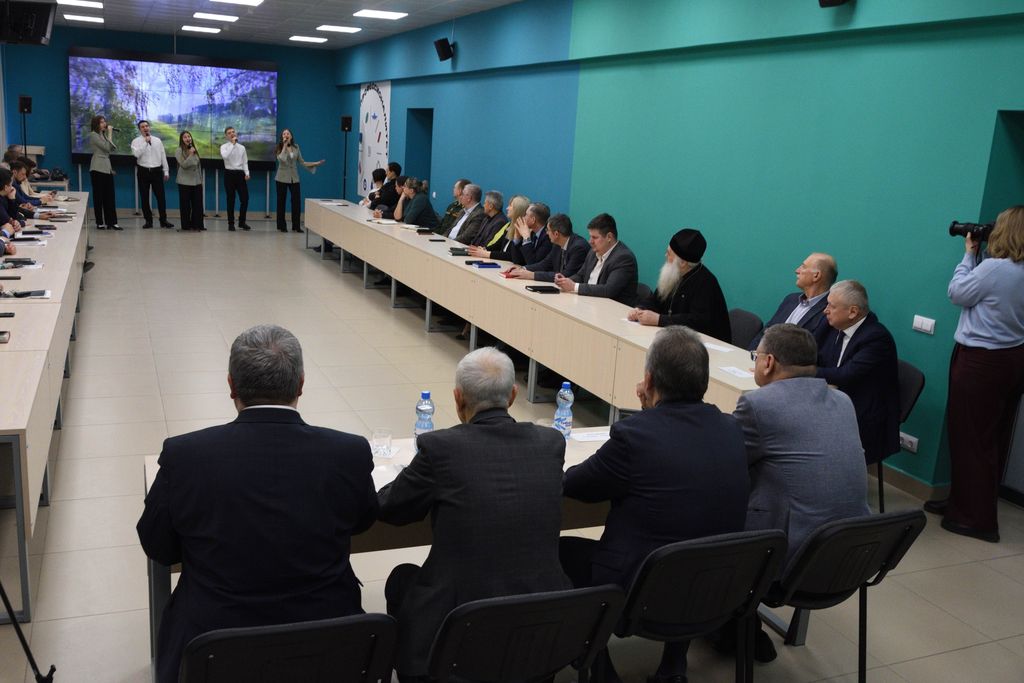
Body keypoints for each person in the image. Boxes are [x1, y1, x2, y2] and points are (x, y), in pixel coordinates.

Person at [137, 324, 378, 683]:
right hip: (327, 644)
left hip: (216, 647)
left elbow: (158, 545)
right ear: (300, 385)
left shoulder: (185, 456)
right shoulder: (349, 452)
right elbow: (363, 520)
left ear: (231, 385)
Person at [562, 325, 748, 683]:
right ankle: (673, 667)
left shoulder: (635, 435)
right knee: (690, 543)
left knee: (557, 553)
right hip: (714, 588)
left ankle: (601, 669)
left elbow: (576, 485)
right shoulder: (730, 429)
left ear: (648, 380)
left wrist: (648, 414)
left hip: (641, 593)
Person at [378, 347, 570, 681]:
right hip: (540, 618)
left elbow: (392, 508)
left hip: (462, 622)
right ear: (513, 396)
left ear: (457, 398)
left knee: (401, 579)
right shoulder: (550, 443)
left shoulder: (440, 448)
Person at [926, 207, 1024, 543]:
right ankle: (966, 502)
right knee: (991, 436)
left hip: (981, 362)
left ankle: (974, 519)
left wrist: (969, 255)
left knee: (970, 438)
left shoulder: (996, 269)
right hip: (1012, 359)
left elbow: (957, 292)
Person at [740, 324, 870, 559]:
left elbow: (729, 462)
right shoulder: (843, 400)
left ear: (768, 362)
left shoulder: (758, 404)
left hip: (794, 551)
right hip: (854, 550)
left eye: (755, 356)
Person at [816, 279, 900, 466]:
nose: (825, 310)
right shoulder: (833, 325)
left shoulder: (876, 338)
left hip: (863, 415)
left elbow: (845, 375)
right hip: (834, 399)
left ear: (853, 312)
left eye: (831, 306)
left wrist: (802, 371)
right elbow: (813, 354)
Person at [629, 228, 731, 341]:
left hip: (702, 345)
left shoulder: (706, 283)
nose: (665, 255)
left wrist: (659, 320)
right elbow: (655, 300)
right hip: (674, 338)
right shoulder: (674, 273)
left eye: (669, 254)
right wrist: (639, 309)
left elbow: (697, 322)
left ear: (682, 262)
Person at [748, 252, 837, 350]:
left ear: (816, 275)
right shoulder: (790, 299)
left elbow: (813, 352)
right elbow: (765, 332)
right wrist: (751, 354)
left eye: (803, 267)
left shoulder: (830, 312)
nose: (797, 270)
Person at [555, 213, 639, 306]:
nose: (590, 241)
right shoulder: (593, 252)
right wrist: (565, 281)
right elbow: (581, 276)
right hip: (588, 304)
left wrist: (574, 286)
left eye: (594, 237)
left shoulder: (623, 258)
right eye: (590, 236)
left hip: (611, 309)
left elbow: (608, 290)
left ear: (609, 237)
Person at [505, 212, 588, 281]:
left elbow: (565, 275)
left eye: (548, 230)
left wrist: (532, 275)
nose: (546, 233)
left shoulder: (578, 248)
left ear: (556, 234)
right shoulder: (557, 244)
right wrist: (523, 268)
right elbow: (544, 264)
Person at [275, 128, 325, 233]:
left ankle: (296, 226)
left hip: (294, 178)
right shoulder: (279, 147)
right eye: (284, 134)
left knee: (296, 201)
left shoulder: (296, 147)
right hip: (281, 178)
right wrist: (284, 146)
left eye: (288, 133)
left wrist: (315, 164)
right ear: (282, 137)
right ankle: (281, 225)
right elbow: (282, 159)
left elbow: (302, 162)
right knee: (281, 202)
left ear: (291, 136)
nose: (286, 135)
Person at [131, 120, 173, 229]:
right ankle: (148, 221)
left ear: (149, 127)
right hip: (143, 171)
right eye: (142, 127)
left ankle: (163, 220)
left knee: (161, 197)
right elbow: (136, 154)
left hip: (156, 171)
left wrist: (166, 170)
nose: (145, 128)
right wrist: (145, 142)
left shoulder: (157, 140)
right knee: (144, 197)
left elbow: (163, 155)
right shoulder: (136, 141)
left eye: (147, 126)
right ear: (139, 129)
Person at [468, 194, 529, 259]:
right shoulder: (509, 225)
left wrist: (488, 254)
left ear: (517, 210)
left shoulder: (523, 230)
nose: (507, 208)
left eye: (510, 206)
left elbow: (511, 255)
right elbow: (498, 244)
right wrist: (485, 249)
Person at [220, 126, 251, 231]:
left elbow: (245, 162)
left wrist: (247, 173)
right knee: (231, 199)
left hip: (240, 174)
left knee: (245, 199)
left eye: (233, 132)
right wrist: (232, 144)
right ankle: (231, 223)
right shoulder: (224, 147)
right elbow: (225, 156)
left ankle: (242, 222)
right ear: (226, 136)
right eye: (229, 133)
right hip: (229, 174)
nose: (232, 134)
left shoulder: (242, 148)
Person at [174, 130, 204, 231]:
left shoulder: (194, 149)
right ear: (182, 140)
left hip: (196, 181)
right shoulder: (179, 150)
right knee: (185, 205)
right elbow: (184, 165)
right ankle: (186, 226)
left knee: (197, 204)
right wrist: (191, 155)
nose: (188, 138)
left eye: (189, 136)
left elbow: (198, 165)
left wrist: (201, 180)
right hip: (184, 181)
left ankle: (197, 225)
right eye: (185, 137)